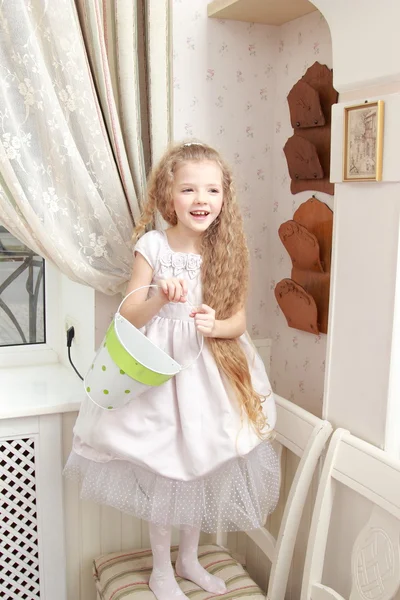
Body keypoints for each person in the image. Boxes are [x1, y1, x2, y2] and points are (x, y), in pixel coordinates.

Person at [64, 141, 280, 599]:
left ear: (225, 197)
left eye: (212, 190)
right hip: (159, 373)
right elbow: (127, 316)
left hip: (209, 371)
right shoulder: (154, 245)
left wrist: (215, 324)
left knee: (199, 466)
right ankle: (162, 568)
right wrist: (161, 295)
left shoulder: (228, 248)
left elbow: (239, 319)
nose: (201, 200)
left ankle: (189, 558)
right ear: (169, 196)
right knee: (167, 469)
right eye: (189, 189)